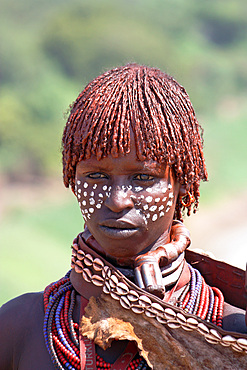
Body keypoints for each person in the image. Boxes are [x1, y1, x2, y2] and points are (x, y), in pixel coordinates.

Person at [0, 64, 246, 369]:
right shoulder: (20, 328)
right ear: (71, 180)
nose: (117, 200)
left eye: (142, 178)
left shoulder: (232, 332)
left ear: (182, 182)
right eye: (96, 176)